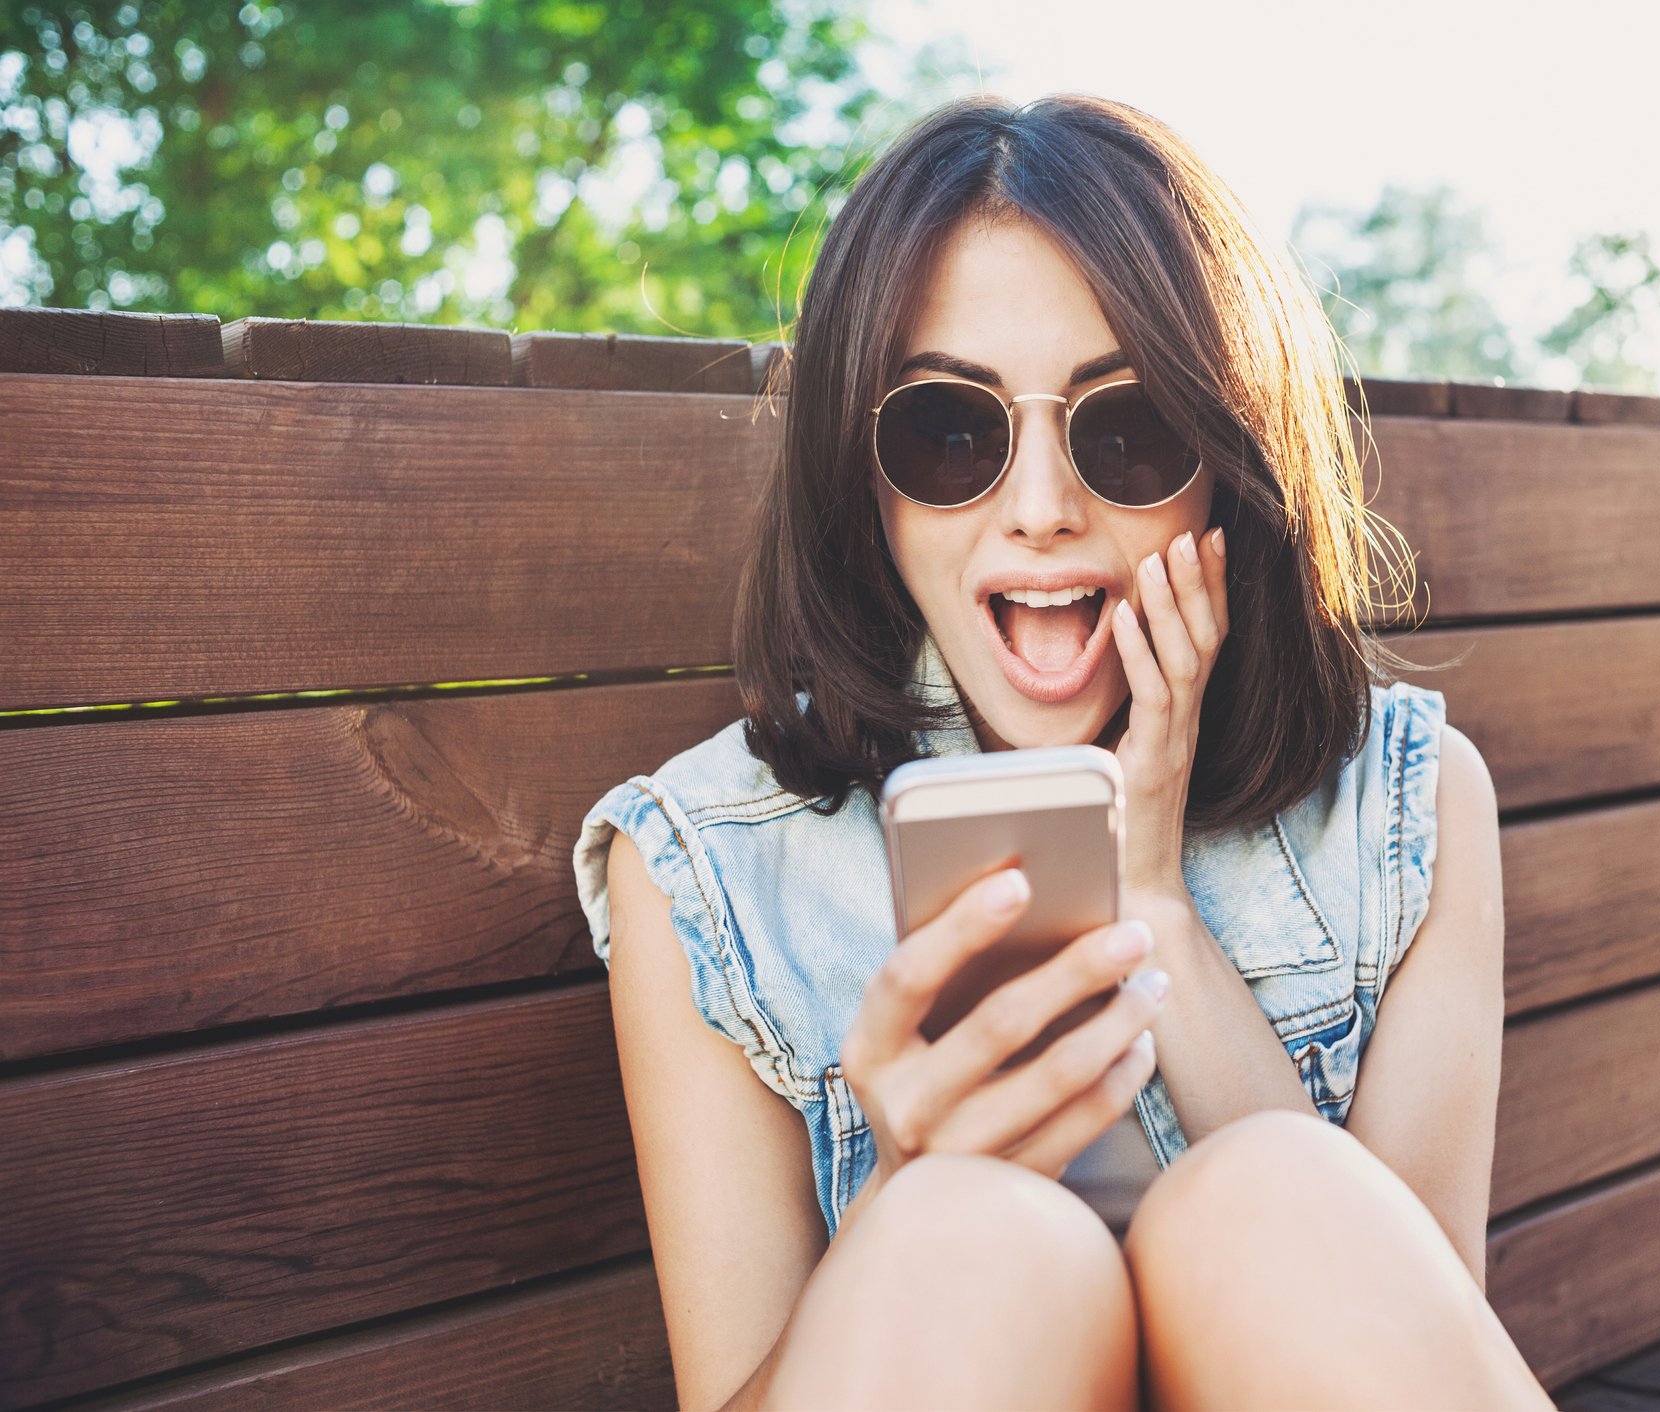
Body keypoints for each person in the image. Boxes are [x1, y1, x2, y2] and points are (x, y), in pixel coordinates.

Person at [572, 92, 1554, 1412]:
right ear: (861, 481)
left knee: (1276, 1194)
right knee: (967, 1240)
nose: (1040, 509)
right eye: (951, 431)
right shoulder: (703, 870)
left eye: (1127, 428)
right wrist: (906, 1209)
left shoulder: (1410, 801)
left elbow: (1409, 1322)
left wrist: (1154, 907)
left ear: (1227, 461)